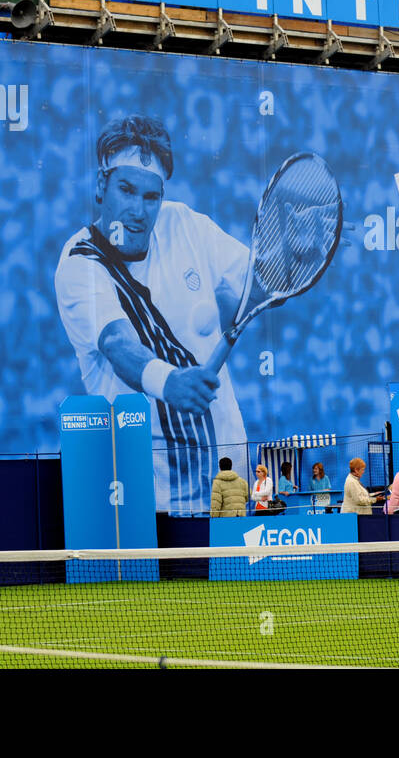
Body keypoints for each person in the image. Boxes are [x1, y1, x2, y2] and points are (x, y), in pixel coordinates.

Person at [55, 116, 253, 514]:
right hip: (147, 501)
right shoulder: (80, 261)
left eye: (151, 197)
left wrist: (291, 250)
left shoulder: (185, 224)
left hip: (228, 486)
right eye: (126, 190)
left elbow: (253, 285)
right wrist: (169, 381)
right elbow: (116, 341)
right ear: (101, 186)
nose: (138, 210)